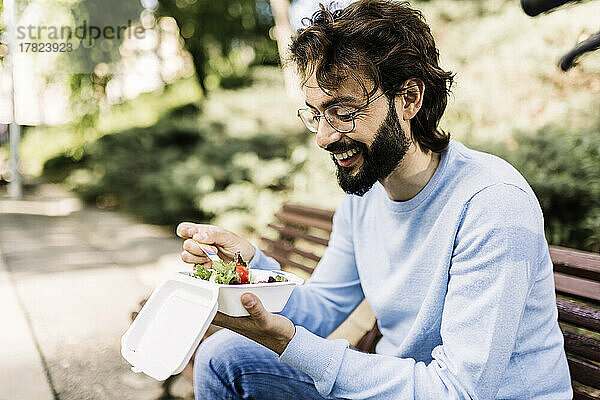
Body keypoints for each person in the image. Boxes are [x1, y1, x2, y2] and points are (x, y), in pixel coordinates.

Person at [176, 1, 572, 398]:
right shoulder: (366, 194)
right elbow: (324, 307)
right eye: (317, 114)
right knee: (223, 356)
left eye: (343, 111)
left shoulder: (491, 203)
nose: (324, 137)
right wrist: (250, 271)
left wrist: (289, 343)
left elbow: (459, 391)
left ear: (409, 98)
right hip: (405, 384)